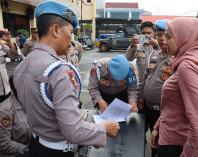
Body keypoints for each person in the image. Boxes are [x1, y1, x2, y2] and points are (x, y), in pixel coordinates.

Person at [13, 1, 120, 157]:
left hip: (36, 144)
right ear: (56, 30)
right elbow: (73, 131)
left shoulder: (23, 65)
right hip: (58, 150)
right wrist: (105, 128)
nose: (72, 39)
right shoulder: (59, 71)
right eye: (71, 32)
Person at [150, 17, 198, 157]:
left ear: (185, 38)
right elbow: (173, 106)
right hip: (168, 134)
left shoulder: (186, 67)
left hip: (174, 144)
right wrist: (157, 127)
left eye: (169, 37)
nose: (165, 41)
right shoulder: (186, 61)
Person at [137, 19, 172, 157]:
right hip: (149, 108)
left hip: (165, 113)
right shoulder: (155, 54)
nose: (162, 39)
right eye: (159, 35)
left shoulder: (178, 59)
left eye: (166, 35)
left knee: (162, 146)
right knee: (153, 142)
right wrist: (141, 96)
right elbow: (146, 77)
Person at [0, 76, 30, 157]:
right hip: (15, 153)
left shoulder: (31, 102)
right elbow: (3, 143)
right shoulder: (5, 112)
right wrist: (26, 150)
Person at [0, 29, 21, 103]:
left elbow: (16, 55)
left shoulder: (0, 45)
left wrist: (8, 40)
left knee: (5, 113)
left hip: (5, 90)